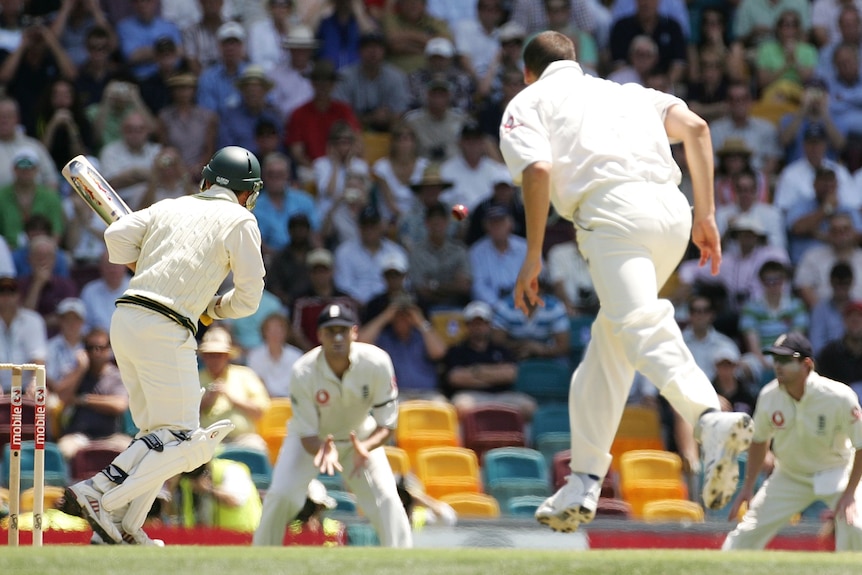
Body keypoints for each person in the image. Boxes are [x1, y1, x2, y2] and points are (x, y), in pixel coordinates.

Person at [498, 31, 753, 532]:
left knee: (638, 323)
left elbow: (537, 169)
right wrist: (707, 216)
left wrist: (531, 255)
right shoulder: (627, 91)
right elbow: (698, 129)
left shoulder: (528, 100)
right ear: (576, 60)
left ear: (528, 71)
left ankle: (708, 418)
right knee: (609, 345)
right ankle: (585, 480)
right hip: (672, 217)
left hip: (614, 216)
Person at [61, 145, 265, 546]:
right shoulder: (241, 219)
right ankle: (101, 493)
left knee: (156, 435)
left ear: (206, 180)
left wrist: (144, 256)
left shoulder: (169, 205)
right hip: (167, 326)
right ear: (248, 192)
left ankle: (123, 527)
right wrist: (213, 307)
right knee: (190, 444)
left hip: (126, 320)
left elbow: (116, 235)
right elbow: (250, 297)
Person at [253, 303, 413, 547]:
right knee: (280, 495)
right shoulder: (303, 370)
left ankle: (405, 564)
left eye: (343, 330)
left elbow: (387, 425)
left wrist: (364, 446)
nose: (337, 337)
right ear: (319, 336)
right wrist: (323, 448)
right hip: (311, 440)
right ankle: (259, 561)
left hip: (359, 438)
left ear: (355, 333)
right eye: (330, 331)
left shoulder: (377, 362)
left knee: (387, 498)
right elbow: (306, 434)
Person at [723, 332, 862, 552]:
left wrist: (850, 493)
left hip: (836, 472)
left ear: (807, 364)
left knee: (856, 528)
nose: (778, 366)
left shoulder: (839, 396)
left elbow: (861, 446)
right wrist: (748, 486)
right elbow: (760, 441)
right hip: (789, 475)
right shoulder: (769, 396)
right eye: (776, 359)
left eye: (786, 360)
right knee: (744, 535)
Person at [54, 328, 132, 462]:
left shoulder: (117, 376)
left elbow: (119, 405)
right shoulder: (76, 372)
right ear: (84, 350)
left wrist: (83, 399)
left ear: (109, 349)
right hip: (79, 436)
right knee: (63, 450)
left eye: (101, 347)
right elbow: (61, 398)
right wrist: (80, 369)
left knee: (134, 450)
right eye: (91, 348)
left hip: (111, 436)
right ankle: (67, 484)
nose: (96, 352)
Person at [198, 326, 271, 451]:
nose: (214, 360)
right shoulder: (195, 379)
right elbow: (183, 416)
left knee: (257, 448)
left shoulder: (245, 375)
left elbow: (260, 411)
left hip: (243, 439)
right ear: (204, 357)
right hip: (206, 440)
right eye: (210, 355)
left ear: (227, 356)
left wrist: (231, 397)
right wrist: (207, 400)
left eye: (219, 355)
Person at [246, 312, 303, 398]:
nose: (275, 334)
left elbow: (299, 385)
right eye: (271, 330)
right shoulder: (255, 356)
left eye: (279, 330)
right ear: (264, 332)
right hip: (264, 401)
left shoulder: (296, 355)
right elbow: (256, 383)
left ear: (286, 332)